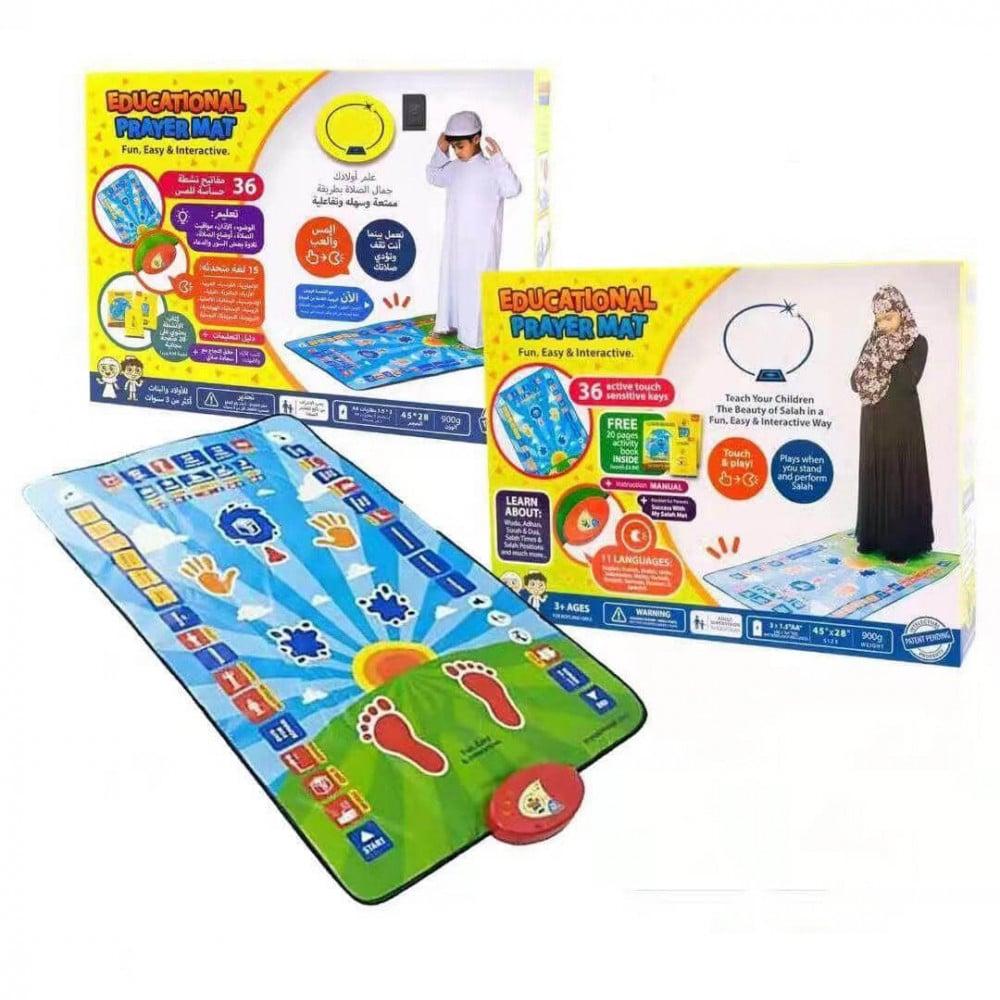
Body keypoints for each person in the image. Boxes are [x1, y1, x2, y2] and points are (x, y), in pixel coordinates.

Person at [849, 285, 933, 562]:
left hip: (901, 423)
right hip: (872, 421)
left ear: (902, 313)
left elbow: (907, 381)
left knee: (899, 476)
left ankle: (901, 543)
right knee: (873, 474)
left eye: (889, 317)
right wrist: (875, 362)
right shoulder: (872, 343)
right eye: (879, 319)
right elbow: (854, 381)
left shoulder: (916, 342)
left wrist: (881, 361)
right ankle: (872, 537)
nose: (884, 325)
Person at [426, 110, 521, 349]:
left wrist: (499, 160)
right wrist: (440, 151)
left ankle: (474, 336)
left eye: (460, 146)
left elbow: (512, 189)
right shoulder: (454, 167)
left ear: (476, 139)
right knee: (454, 282)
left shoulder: (492, 168)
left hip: (481, 243)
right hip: (455, 241)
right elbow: (433, 176)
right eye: (453, 147)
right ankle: (451, 324)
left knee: (476, 286)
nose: (457, 151)